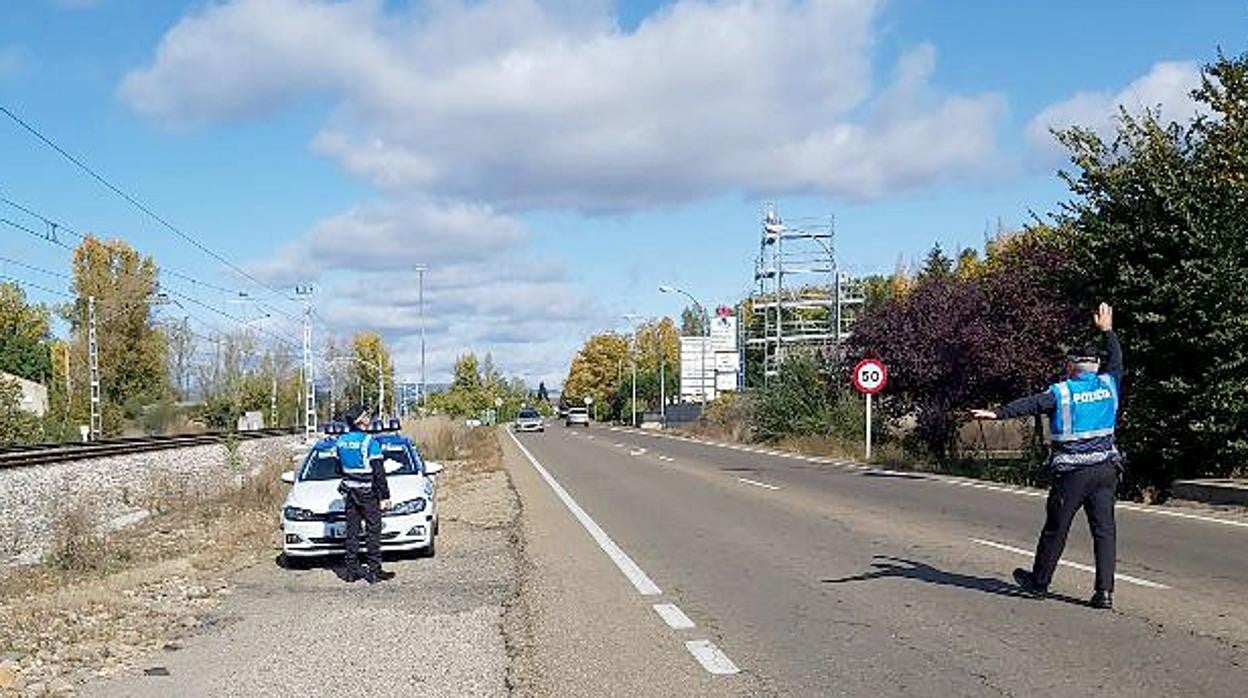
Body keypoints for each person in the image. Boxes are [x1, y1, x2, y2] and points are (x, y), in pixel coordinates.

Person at [970, 303, 1122, 609]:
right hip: (1107, 468)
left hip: (1073, 474)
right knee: (1104, 531)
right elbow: (1117, 359)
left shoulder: (1062, 393)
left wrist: (996, 413)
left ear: (1072, 367)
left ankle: (1039, 582)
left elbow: (1030, 404)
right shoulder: (1109, 383)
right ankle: (1104, 592)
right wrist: (1107, 331)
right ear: (1095, 367)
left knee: (1057, 527)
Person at [335, 405, 393, 584]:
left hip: (350, 494)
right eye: (366, 416)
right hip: (368, 494)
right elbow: (379, 472)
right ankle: (374, 571)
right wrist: (385, 496)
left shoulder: (341, 441)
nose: (369, 419)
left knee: (352, 533)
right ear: (359, 421)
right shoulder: (370, 442)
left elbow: (337, 469)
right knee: (372, 532)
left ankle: (351, 572)